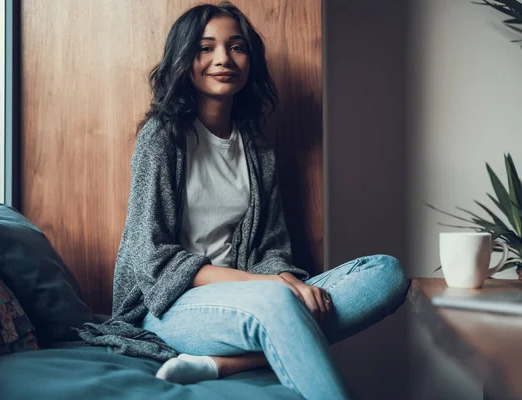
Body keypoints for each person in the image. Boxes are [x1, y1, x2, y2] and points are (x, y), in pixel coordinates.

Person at [79, 2, 410, 399]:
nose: (223, 58)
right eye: (205, 48)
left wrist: (279, 278)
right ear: (184, 60)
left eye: (236, 47)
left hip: (250, 295)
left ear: (249, 60)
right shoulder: (162, 138)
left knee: (385, 273)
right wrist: (270, 286)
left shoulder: (257, 151)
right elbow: (152, 260)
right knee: (279, 301)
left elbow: (271, 248)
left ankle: (224, 364)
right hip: (168, 309)